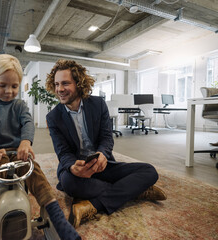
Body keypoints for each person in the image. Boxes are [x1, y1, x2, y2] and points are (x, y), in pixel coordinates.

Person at [0, 54, 81, 240]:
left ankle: (57, 217)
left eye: (14, 86)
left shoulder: (20, 105)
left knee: (36, 172)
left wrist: (25, 142)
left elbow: (28, 123)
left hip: (17, 152)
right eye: (2, 85)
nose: (9, 91)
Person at [45, 59, 167, 228]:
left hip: (103, 164)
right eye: (57, 84)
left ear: (79, 83)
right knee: (69, 183)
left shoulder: (97, 104)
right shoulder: (53, 117)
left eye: (65, 83)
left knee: (149, 171)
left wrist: (102, 154)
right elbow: (63, 152)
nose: (59, 89)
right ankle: (136, 190)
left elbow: (107, 138)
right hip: (77, 171)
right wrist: (73, 167)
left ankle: (93, 205)